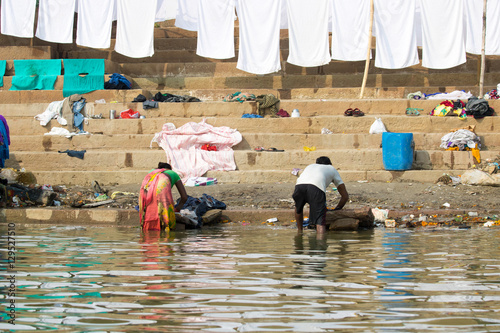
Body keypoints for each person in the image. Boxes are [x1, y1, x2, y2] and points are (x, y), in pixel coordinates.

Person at [292, 156, 349, 234]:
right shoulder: (331, 169)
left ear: (317, 163)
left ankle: (299, 232)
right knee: (320, 221)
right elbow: (345, 196)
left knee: (298, 208)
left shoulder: (310, 166)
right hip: (315, 188)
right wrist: (337, 209)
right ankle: (320, 243)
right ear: (330, 164)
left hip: (299, 187)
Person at [139, 162, 188, 231]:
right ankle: (166, 233)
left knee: (147, 211)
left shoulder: (151, 171)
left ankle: (148, 230)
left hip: (145, 190)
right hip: (162, 185)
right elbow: (184, 197)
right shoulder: (173, 173)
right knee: (166, 218)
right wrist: (177, 209)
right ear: (169, 169)